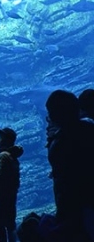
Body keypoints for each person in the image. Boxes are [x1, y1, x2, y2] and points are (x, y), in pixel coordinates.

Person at [44, 90, 94, 241]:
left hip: (76, 210)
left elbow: (64, 185)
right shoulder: (89, 129)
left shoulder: (60, 144)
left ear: (54, 116)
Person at [0, 127, 23, 242]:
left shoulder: (3, 156)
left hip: (1, 198)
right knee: (11, 225)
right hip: (11, 197)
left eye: (1, 138)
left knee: (0, 226)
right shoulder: (13, 157)